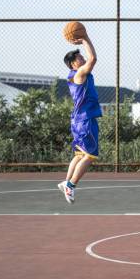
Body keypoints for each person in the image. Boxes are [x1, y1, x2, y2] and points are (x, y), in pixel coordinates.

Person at [58, 34, 102, 203]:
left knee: (78, 154)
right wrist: (85, 39)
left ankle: (66, 182)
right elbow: (94, 58)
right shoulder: (79, 74)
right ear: (73, 64)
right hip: (85, 120)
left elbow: (90, 59)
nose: (83, 58)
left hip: (77, 120)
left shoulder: (75, 75)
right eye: (79, 57)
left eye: (82, 55)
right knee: (90, 156)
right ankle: (71, 185)